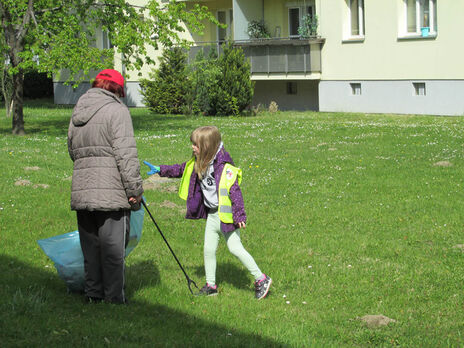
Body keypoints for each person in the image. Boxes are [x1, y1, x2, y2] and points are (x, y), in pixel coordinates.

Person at [144, 126, 272, 300]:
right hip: (212, 216)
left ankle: (261, 279)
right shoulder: (199, 162)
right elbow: (181, 169)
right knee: (208, 250)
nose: (192, 147)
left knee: (235, 248)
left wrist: (240, 215)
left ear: (207, 146)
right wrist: (161, 170)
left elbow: (235, 191)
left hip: (225, 217)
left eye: (196, 145)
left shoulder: (223, 167)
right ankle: (211, 286)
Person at [67, 69, 143, 304]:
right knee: (113, 251)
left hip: (82, 189)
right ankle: (114, 299)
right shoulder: (118, 110)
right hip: (111, 191)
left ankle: (93, 295)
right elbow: (126, 155)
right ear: (118, 89)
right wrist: (134, 191)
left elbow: (72, 150)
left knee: (91, 249)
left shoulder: (78, 110)